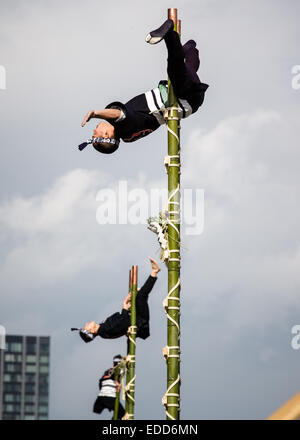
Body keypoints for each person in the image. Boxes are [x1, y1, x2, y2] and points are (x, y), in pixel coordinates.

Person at [79, 19, 209, 154]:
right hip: (183, 97)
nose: (94, 130)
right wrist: (95, 113)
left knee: (186, 67)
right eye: (95, 134)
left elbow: (118, 115)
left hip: (180, 95)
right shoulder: (124, 128)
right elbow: (118, 114)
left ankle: (190, 48)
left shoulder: (128, 134)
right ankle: (170, 35)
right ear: (106, 135)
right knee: (175, 68)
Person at [83, 257, 161, 340]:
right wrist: (124, 306)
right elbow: (124, 323)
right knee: (140, 296)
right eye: (86, 326)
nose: (86, 323)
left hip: (136, 318)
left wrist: (126, 305)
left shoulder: (103, 328)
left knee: (139, 294)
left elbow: (121, 321)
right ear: (92, 331)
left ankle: (154, 272)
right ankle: (154, 271)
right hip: (140, 322)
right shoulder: (105, 330)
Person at [93, 354, 125, 420]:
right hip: (110, 397)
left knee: (96, 410)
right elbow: (115, 374)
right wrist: (117, 383)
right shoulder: (119, 370)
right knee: (122, 414)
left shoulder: (107, 371)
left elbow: (100, 382)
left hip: (101, 397)